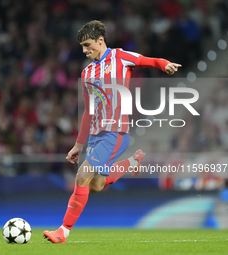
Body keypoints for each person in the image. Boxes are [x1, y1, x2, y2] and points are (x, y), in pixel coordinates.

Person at [43, 20, 181, 243]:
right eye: (82, 47)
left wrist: (164, 64)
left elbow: (150, 60)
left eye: (88, 45)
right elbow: (88, 111)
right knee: (95, 185)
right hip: (97, 135)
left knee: (82, 175)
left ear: (100, 40)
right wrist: (79, 144)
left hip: (115, 132)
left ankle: (63, 231)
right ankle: (132, 163)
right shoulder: (87, 73)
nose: (84, 50)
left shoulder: (121, 57)